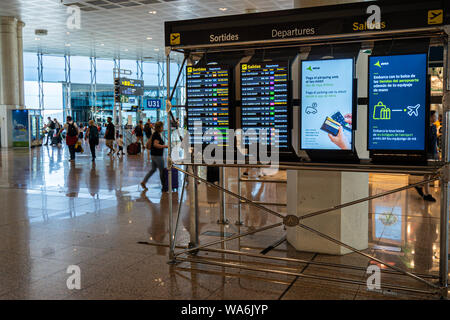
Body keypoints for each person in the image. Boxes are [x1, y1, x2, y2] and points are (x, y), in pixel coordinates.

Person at [413, 110, 438, 202]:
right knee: (427, 173)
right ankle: (427, 194)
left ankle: (420, 186)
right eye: (435, 116)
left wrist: (437, 152)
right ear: (431, 117)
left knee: (433, 173)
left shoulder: (434, 127)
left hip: (434, 152)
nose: (436, 117)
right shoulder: (424, 127)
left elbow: (435, 141)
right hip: (428, 153)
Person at [140, 121, 168, 191]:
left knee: (153, 169)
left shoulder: (155, 134)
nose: (163, 128)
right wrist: (165, 146)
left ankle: (144, 182)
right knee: (162, 171)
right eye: (162, 126)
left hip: (153, 155)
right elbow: (155, 145)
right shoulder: (157, 135)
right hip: (158, 156)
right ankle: (164, 186)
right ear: (159, 128)